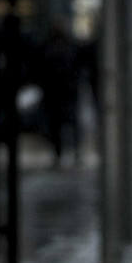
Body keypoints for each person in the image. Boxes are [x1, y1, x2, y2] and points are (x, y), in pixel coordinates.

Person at [37, 23, 81, 168]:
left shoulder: (53, 48)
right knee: (63, 124)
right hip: (61, 92)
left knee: (61, 125)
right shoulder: (67, 47)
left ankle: (67, 152)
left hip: (60, 92)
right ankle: (69, 152)